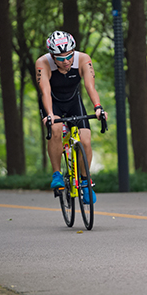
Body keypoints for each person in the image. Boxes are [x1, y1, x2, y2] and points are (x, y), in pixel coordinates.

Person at [35, 30, 106, 204]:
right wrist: (50, 115)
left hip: (74, 101)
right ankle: (57, 174)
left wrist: (98, 107)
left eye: (69, 56)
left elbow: (90, 86)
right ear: (52, 56)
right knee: (56, 128)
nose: (66, 61)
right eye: (60, 58)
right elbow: (45, 91)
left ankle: (85, 181)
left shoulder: (83, 59)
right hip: (53, 102)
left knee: (86, 139)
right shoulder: (43, 63)